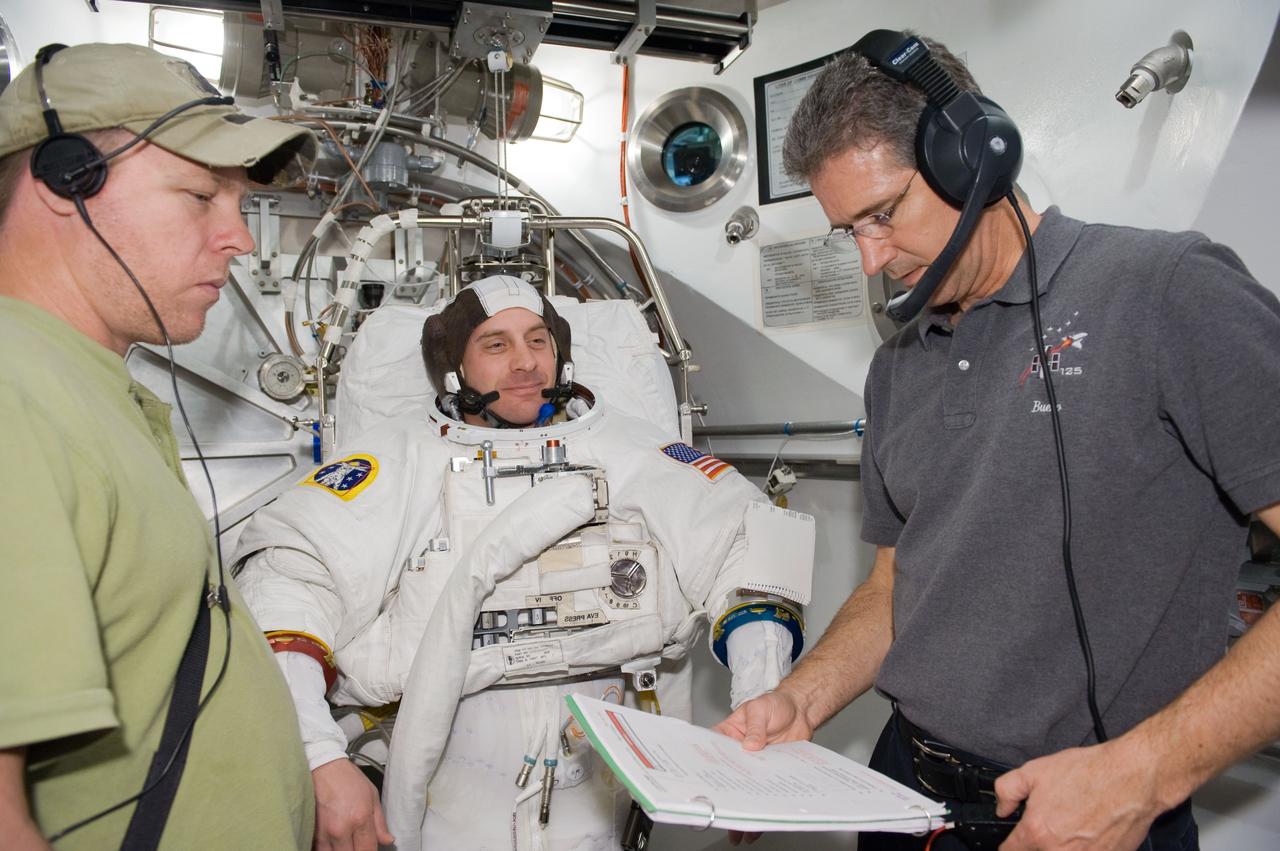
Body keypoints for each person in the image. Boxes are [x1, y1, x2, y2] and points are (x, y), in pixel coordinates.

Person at [716, 30, 1280, 851]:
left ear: (973, 156)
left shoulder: (1168, 292)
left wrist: (1145, 775)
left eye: (883, 214)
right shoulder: (897, 366)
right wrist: (803, 698)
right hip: (903, 792)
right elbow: (896, 584)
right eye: (849, 231)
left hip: (1084, 814)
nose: (872, 260)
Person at [233, 274, 814, 851]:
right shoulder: (397, 460)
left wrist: (759, 699)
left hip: (607, 796)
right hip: (442, 804)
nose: (525, 362)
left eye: (539, 341)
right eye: (496, 344)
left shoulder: (633, 450)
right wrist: (318, 755)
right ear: (453, 367)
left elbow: (746, 544)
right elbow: (286, 578)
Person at [0, 43, 318, 849]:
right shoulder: (13, 392)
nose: (238, 239)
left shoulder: (78, 386)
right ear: (67, 180)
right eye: (201, 195)